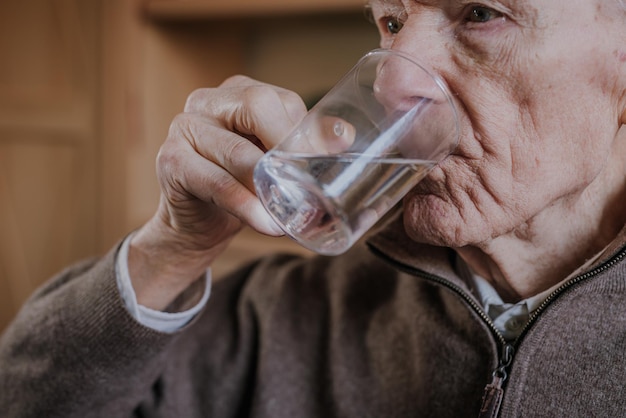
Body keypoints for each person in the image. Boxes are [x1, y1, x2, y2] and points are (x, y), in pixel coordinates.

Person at [1, 0, 625, 416]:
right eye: (390, 21)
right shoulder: (292, 312)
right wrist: (172, 250)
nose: (389, 81)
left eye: (481, 13)